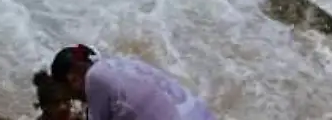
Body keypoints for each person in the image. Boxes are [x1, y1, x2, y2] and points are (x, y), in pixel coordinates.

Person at [38, 45, 216, 120]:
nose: (77, 99)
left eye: (71, 95)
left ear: (73, 79)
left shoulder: (95, 78)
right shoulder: (118, 63)